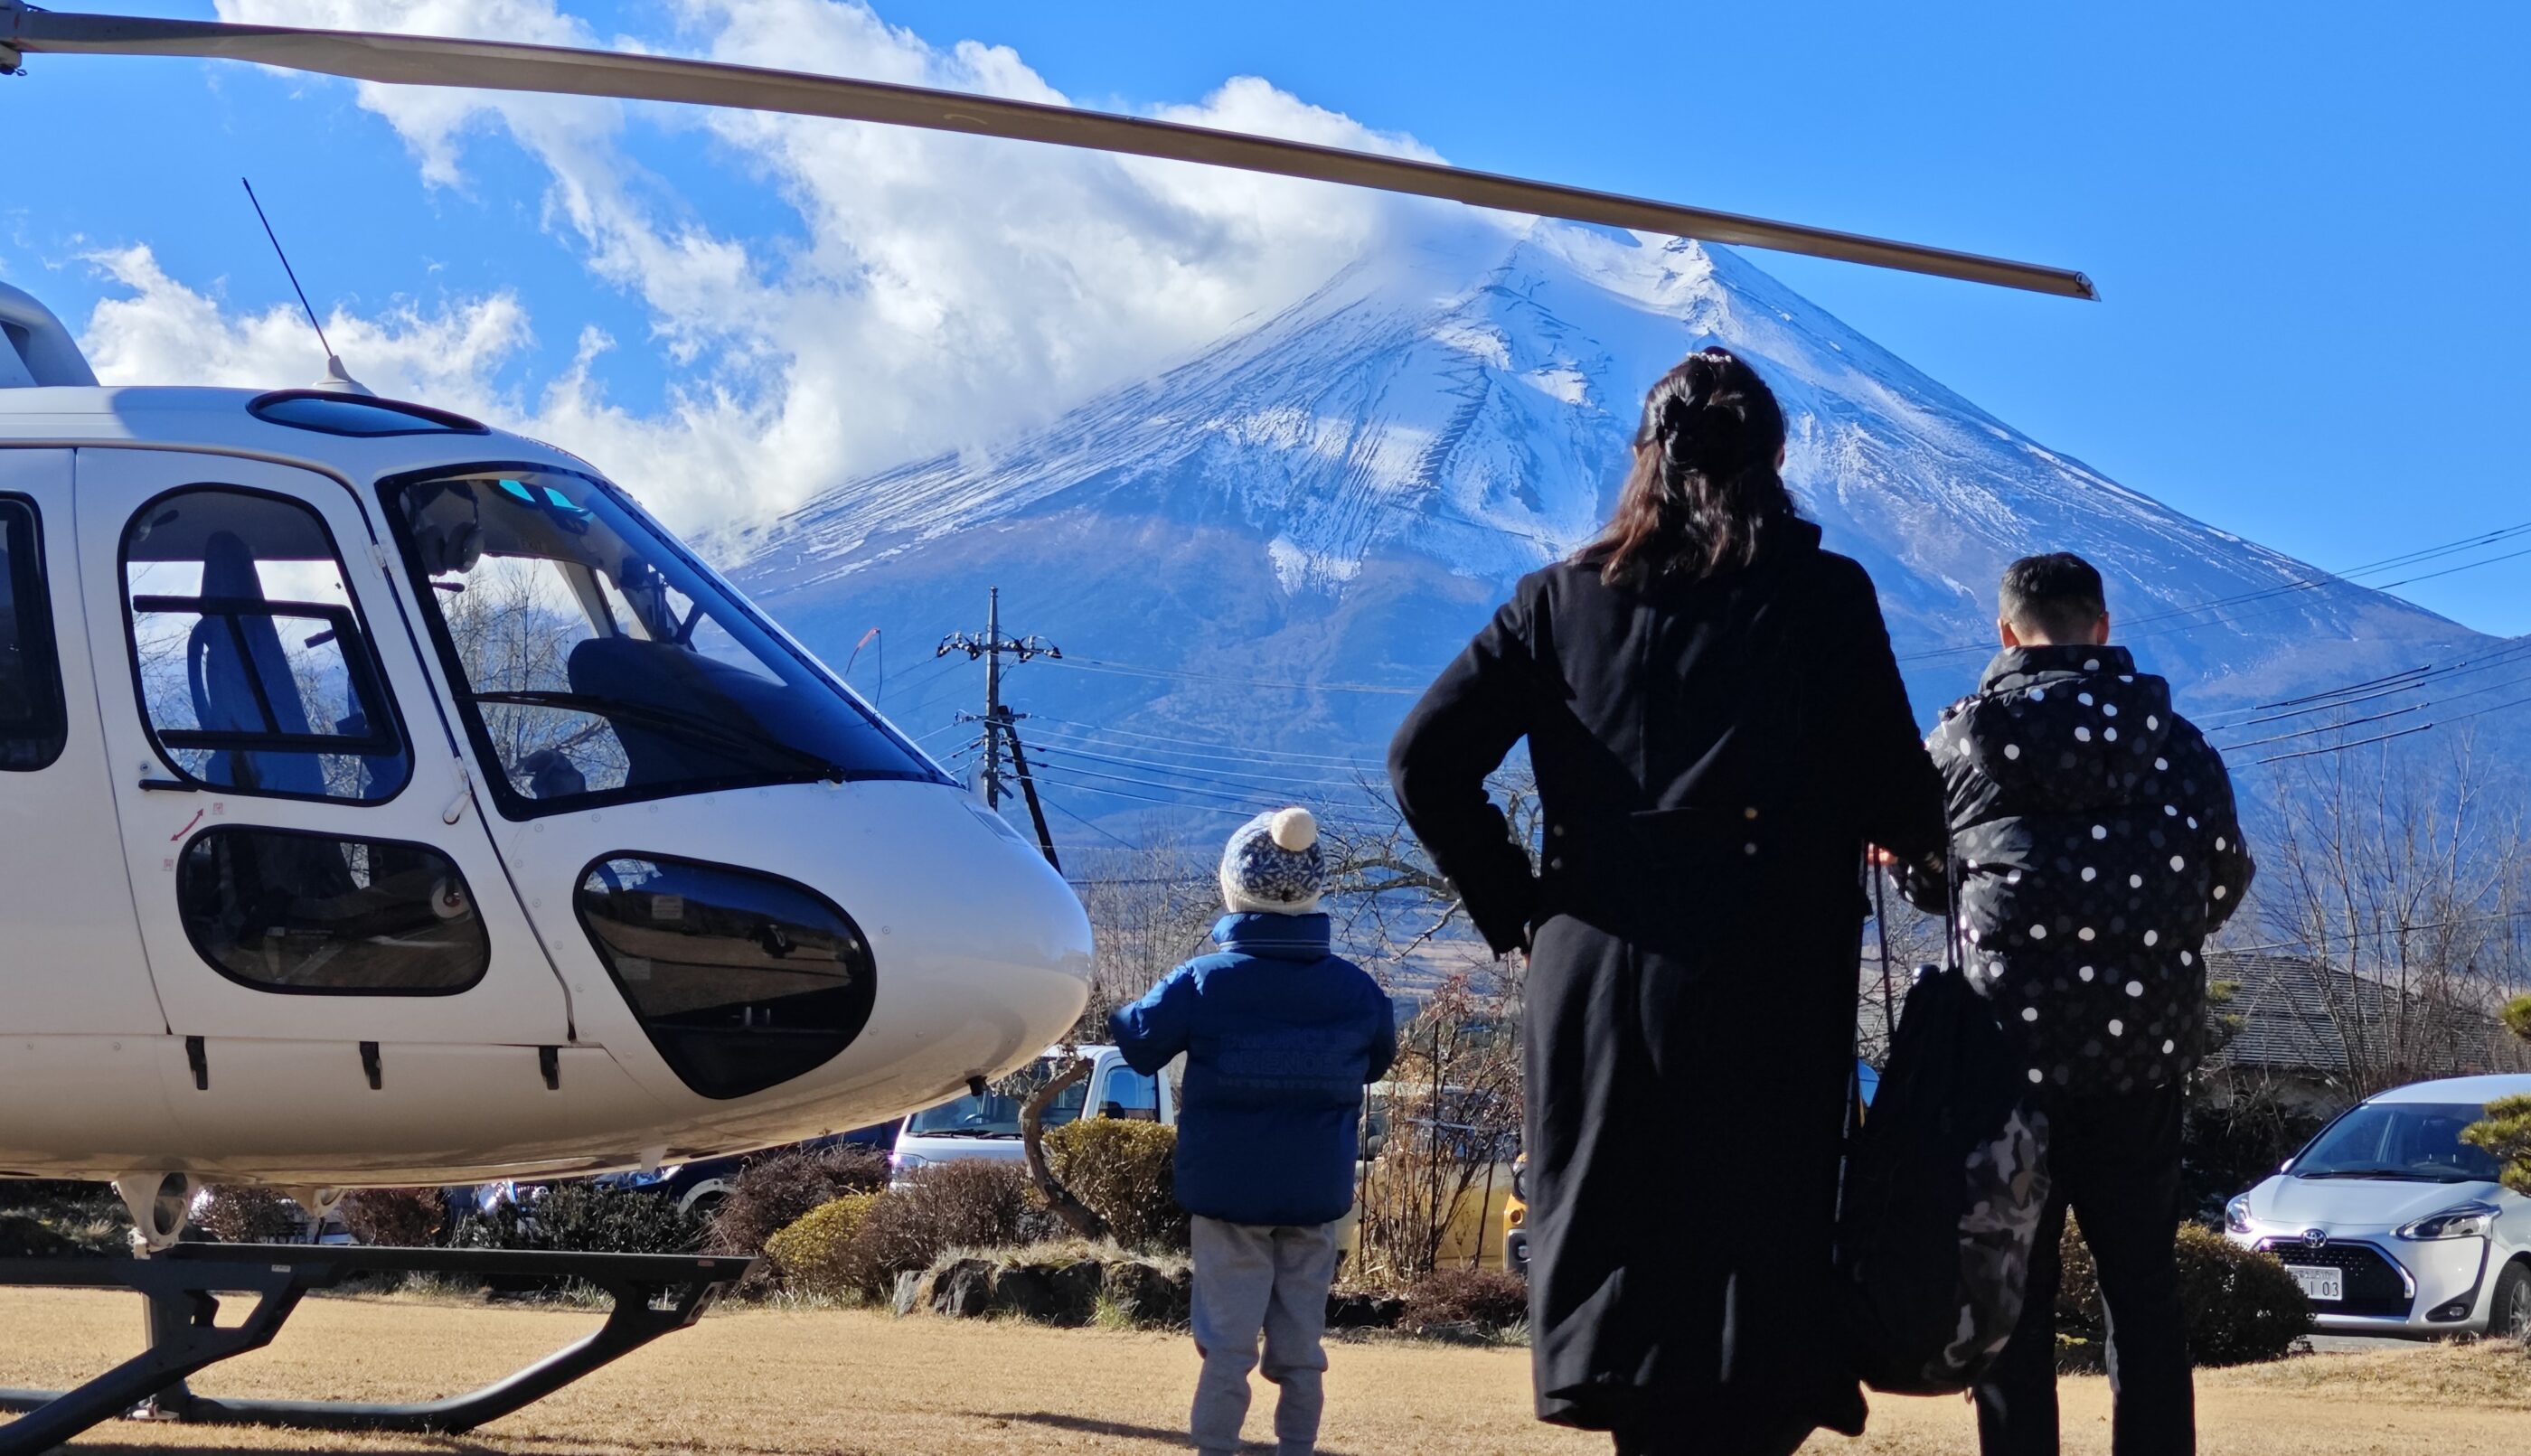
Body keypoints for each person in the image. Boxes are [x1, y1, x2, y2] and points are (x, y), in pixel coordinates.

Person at [1388, 347, 1946, 1456]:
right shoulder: (1822, 596)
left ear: (1643, 459)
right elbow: (1901, 797)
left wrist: (1527, 911)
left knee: (1625, 1256)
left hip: (1595, 970)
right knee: (1755, 1253)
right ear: (1777, 462)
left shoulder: (1556, 600)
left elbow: (1422, 761)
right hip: (1769, 970)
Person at [1888, 551, 2254, 1456]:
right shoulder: (2178, 743)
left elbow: (1921, 879)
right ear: (2101, 626)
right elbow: (2223, 877)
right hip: (2142, 1054)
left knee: (2013, 1283)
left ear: (2006, 632)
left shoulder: (1961, 741)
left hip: (2002, 1062)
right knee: (2143, 1287)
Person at [1109, 805, 1395, 1456]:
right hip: (1314, 1191)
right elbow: (1377, 1059)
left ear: (1235, 886)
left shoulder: (1204, 981)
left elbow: (1139, 1041)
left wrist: (1102, 1004)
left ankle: (1216, 1444)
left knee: (1227, 1338)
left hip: (1228, 1190)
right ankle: (1297, 1445)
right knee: (1302, 1341)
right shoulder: (1357, 990)